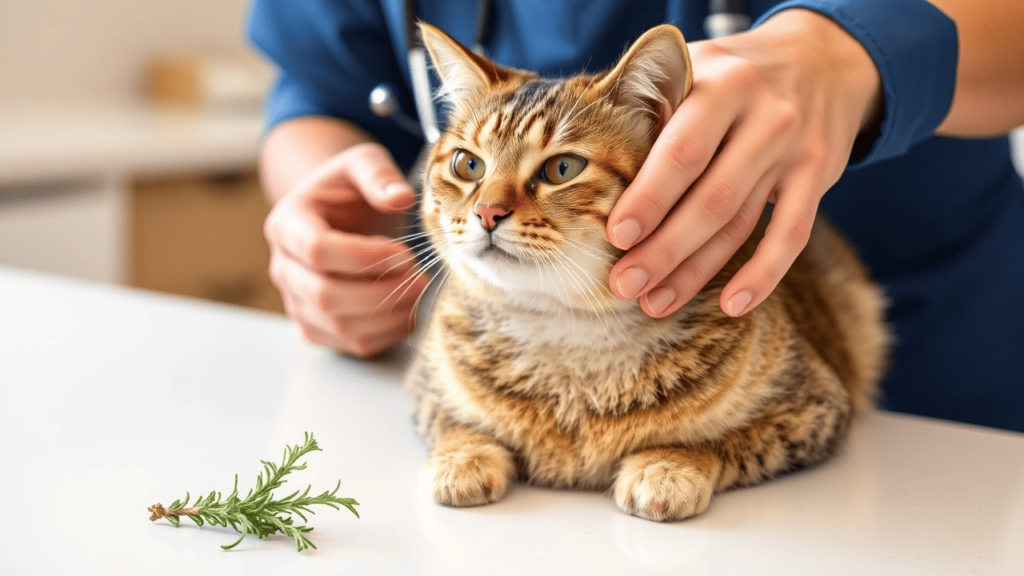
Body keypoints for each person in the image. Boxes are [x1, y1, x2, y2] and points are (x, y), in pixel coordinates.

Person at [248, 0, 1024, 432]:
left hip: (940, 369)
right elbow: (322, 87)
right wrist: (323, 205)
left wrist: (847, 56)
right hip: (525, 370)